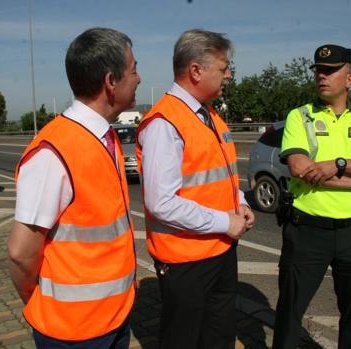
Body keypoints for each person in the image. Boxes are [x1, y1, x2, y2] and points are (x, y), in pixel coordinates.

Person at [8, 27, 140, 349]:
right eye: (134, 69)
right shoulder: (54, 151)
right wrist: (39, 302)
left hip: (113, 318)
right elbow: (20, 254)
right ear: (111, 82)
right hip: (73, 333)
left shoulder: (104, 137)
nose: (139, 78)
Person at [273, 44, 351, 349]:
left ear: (350, 79)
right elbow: (300, 168)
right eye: (318, 70)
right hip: (307, 232)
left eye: (330, 70)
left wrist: (337, 165)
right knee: (290, 314)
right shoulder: (299, 117)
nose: (321, 76)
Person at [136, 29, 255, 349]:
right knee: (183, 340)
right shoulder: (165, 123)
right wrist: (225, 222)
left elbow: (219, 173)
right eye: (223, 67)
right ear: (196, 70)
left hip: (220, 250)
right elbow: (161, 203)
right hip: (186, 262)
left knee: (218, 337)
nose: (229, 74)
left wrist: (240, 202)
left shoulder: (211, 116)